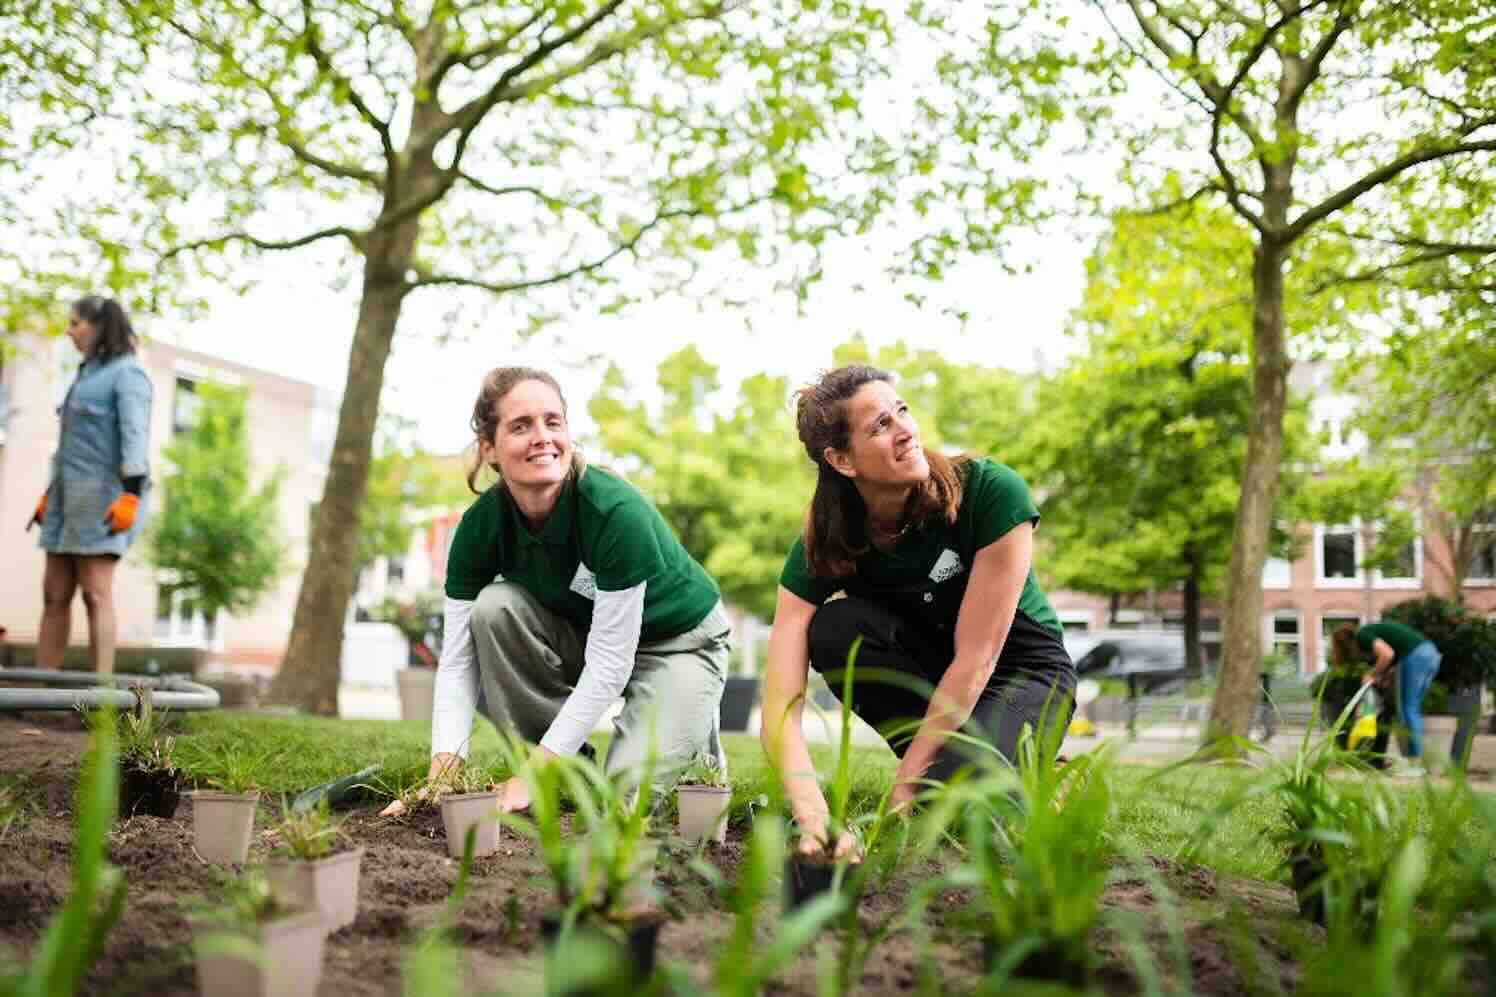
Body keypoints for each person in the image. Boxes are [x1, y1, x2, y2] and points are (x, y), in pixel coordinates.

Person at [760, 365, 1076, 858]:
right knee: (832, 629)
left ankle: (1026, 768)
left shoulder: (991, 492)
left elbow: (978, 659)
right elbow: (780, 711)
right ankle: (968, 764)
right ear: (842, 460)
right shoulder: (827, 542)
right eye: (880, 426)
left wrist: (904, 790)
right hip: (933, 670)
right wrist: (814, 820)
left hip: (1020, 670)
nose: (906, 430)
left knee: (958, 817)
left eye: (902, 411)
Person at [383, 367, 729, 817]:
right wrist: (443, 773)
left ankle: (685, 734)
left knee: (624, 803)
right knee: (493, 610)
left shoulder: (615, 512)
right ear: (489, 448)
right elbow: (458, 659)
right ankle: (564, 772)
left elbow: (610, 665)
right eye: (520, 426)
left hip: (678, 643)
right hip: (588, 634)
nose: (542, 437)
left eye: (553, 422)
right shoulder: (479, 528)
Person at [28, 295, 153, 675]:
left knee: (96, 595)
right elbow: (69, 448)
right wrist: (49, 495)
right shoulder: (84, 375)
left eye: (75, 323)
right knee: (53, 596)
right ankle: (37, 696)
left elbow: (135, 439)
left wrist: (131, 494)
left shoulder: (128, 375)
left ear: (98, 326)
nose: (69, 331)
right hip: (66, 501)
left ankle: (100, 701)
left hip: (104, 501)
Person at [1332, 620, 1442, 773]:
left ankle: (1414, 764)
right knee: (1411, 709)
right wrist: (1382, 675)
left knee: (1407, 710)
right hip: (1430, 654)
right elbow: (1392, 657)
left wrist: (1371, 674)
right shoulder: (1370, 632)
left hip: (1416, 655)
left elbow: (1387, 653)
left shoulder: (1362, 635)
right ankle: (1417, 763)